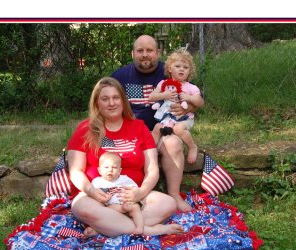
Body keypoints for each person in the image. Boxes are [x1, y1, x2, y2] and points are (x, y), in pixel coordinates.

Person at [67, 77, 184, 237]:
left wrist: (140, 192)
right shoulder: (84, 129)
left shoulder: (139, 127)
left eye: (116, 98)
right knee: (81, 207)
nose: (111, 103)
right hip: (97, 197)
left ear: (123, 101)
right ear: (97, 104)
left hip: (132, 198)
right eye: (105, 99)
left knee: (168, 203)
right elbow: (75, 171)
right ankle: (148, 230)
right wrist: (91, 190)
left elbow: (152, 170)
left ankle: (105, 226)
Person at [112, 35, 205, 212]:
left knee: (173, 144)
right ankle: (126, 195)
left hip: (163, 129)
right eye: (140, 51)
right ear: (133, 53)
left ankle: (174, 195)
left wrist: (187, 108)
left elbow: (195, 97)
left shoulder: (171, 70)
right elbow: (104, 99)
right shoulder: (120, 76)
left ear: (158, 52)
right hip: (130, 133)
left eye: (149, 50)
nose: (145, 55)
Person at [149, 48, 202, 164]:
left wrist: (190, 98)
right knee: (157, 128)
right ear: (170, 69)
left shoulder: (191, 87)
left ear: (189, 71)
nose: (181, 69)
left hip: (184, 119)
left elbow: (200, 102)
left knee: (178, 129)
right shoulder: (163, 84)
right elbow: (151, 97)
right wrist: (163, 94)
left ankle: (192, 146)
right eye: (178, 66)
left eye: (185, 67)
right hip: (166, 119)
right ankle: (151, 152)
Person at [92, 152, 144, 234]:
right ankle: (95, 229)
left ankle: (140, 227)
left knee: (135, 207)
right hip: (112, 207)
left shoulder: (125, 179)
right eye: (106, 167)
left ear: (119, 171)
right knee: (103, 213)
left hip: (127, 203)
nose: (110, 170)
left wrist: (132, 195)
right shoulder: (97, 182)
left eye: (114, 167)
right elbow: (94, 196)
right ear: (100, 170)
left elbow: (135, 190)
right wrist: (103, 199)